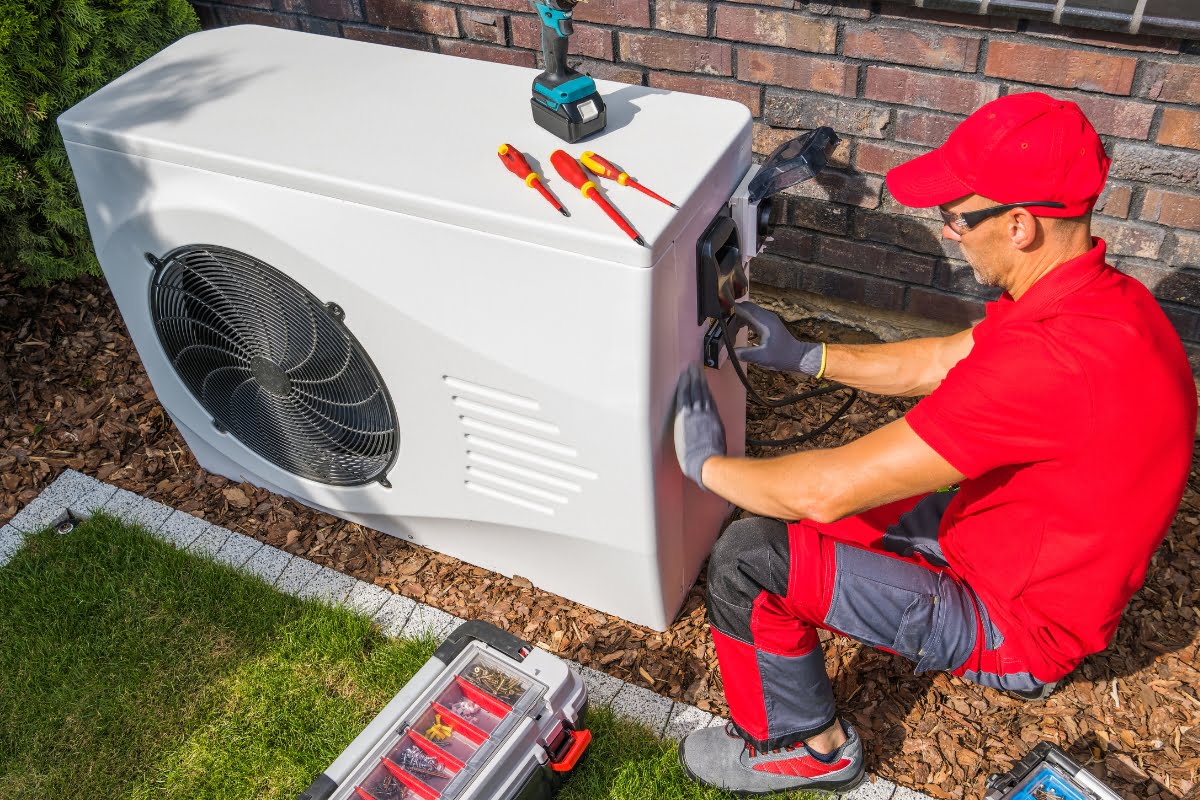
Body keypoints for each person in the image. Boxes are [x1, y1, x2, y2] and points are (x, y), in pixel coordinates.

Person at [671, 91, 1198, 796]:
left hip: (1016, 624)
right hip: (1022, 555)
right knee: (786, 517)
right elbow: (942, 360)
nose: (948, 232)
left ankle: (803, 748)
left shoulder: (1051, 363)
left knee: (747, 557)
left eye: (956, 215)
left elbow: (822, 491)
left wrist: (704, 465)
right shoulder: (1102, 302)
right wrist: (809, 357)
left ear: (1018, 226)